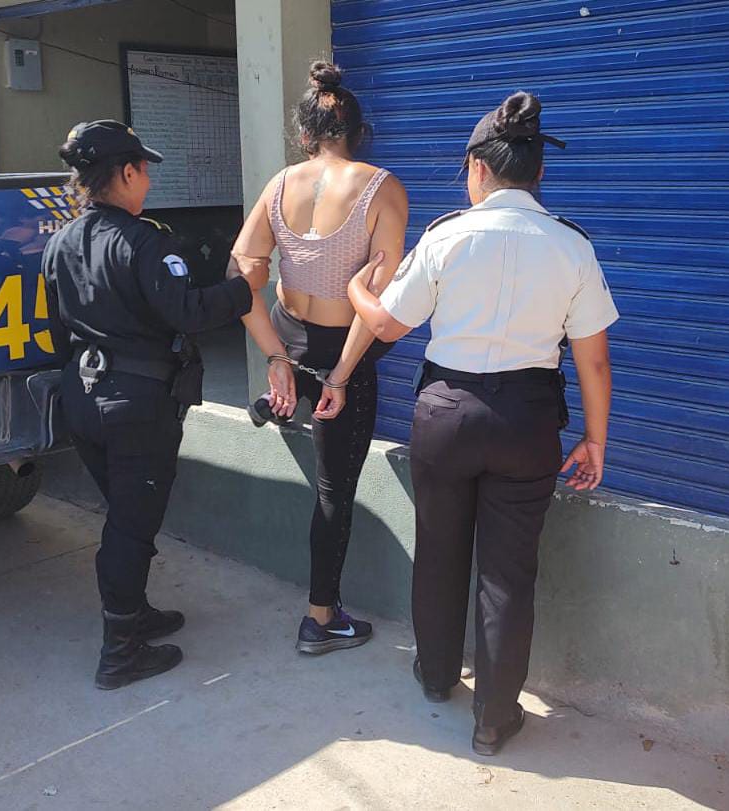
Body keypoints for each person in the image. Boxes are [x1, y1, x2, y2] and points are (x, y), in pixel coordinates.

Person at [347, 92, 618, 754]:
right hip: (527, 422)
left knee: (439, 551)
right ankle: (494, 718)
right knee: (508, 573)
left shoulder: (445, 237)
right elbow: (595, 360)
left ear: (477, 168)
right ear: (538, 171)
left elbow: (387, 325)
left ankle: (436, 675)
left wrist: (357, 287)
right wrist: (595, 439)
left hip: (446, 415)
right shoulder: (572, 246)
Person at [41, 120, 269, 690]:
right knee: (130, 526)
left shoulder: (60, 243)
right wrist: (245, 287)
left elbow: (53, 331)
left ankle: (134, 614)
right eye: (143, 169)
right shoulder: (144, 243)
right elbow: (188, 312)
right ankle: (120, 652)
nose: (148, 179)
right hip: (136, 408)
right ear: (125, 173)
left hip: (82, 399)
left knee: (126, 514)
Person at [230, 61, 409, 654]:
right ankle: (320, 618)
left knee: (295, 382)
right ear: (359, 132)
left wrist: (274, 356)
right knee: (334, 491)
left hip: (288, 333)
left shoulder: (279, 184)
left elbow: (240, 276)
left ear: (305, 135)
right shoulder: (382, 188)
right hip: (339, 350)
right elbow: (376, 303)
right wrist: (341, 375)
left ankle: (278, 396)